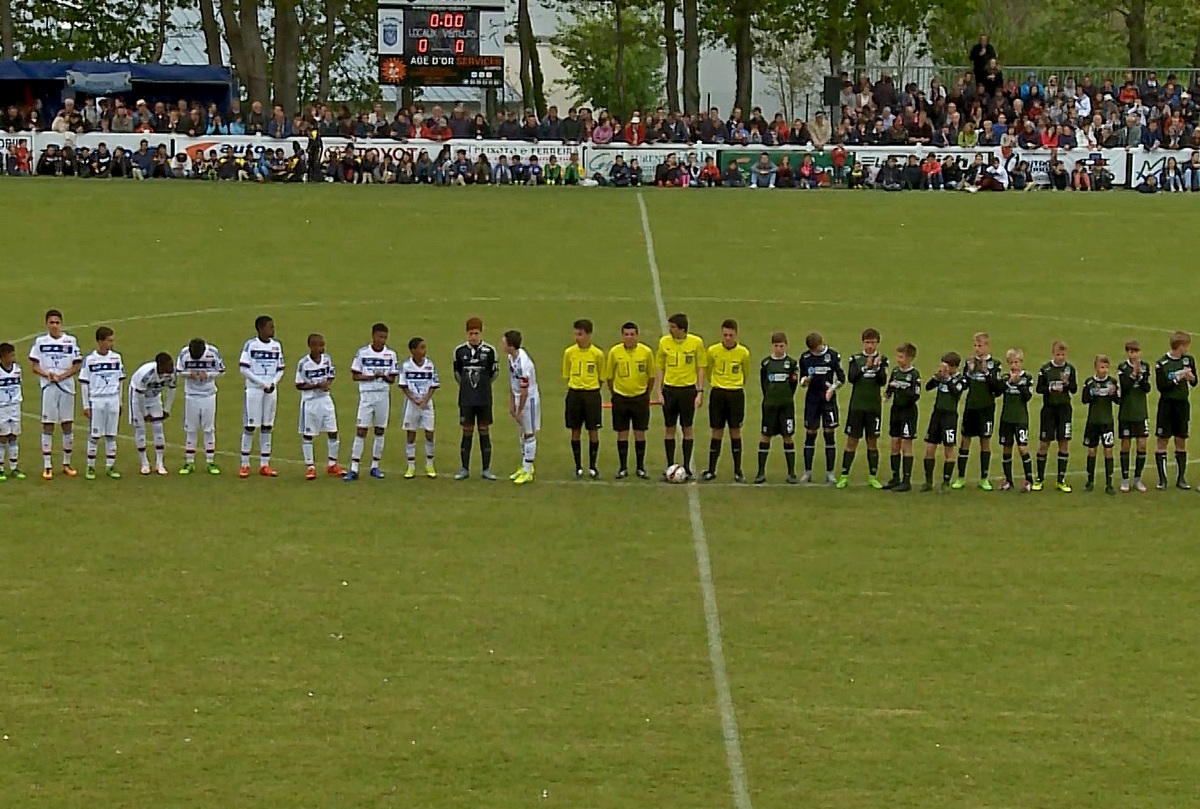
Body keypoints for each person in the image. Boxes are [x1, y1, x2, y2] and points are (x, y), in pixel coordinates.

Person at [29, 309, 83, 480]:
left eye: (57, 322)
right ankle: (47, 466)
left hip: (66, 388)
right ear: (46, 324)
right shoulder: (40, 342)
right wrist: (48, 375)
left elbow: (76, 366)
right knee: (48, 424)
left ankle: (66, 464)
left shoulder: (70, 341)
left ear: (61, 324)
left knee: (67, 424)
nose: (54, 325)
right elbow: (34, 366)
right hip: (49, 388)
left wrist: (62, 376)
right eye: (51, 322)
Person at [652, 313, 706, 479]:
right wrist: (659, 391)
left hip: (688, 391)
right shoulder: (664, 342)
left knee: (687, 428)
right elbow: (660, 366)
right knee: (669, 428)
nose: (670, 330)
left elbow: (701, 367)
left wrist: (700, 392)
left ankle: (687, 467)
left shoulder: (696, 343)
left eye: (673, 327)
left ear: (682, 329)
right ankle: (670, 465)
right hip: (670, 390)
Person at [345, 323, 399, 481]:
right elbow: (355, 375)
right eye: (380, 337)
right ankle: (354, 468)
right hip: (367, 396)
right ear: (373, 336)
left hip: (383, 396)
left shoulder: (390, 355)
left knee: (380, 430)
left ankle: (375, 466)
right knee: (361, 430)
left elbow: (392, 379)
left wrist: (384, 376)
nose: (382, 340)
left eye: (385, 337)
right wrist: (371, 376)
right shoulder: (362, 353)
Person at [838, 327, 888, 489]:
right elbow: (852, 378)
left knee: (872, 442)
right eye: (867, 342)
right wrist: (865, 367)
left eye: (873, 342)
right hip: (857, 406)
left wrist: (877, 368)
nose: (870, 346)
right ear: (862, 343)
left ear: (877, 343)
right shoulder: (855, 359)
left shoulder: (882, 360)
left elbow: (882, 381)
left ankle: (873, 477)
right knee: (851, 441)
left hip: (873, 407)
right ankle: (844, 476)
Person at [452, 317, 499, 481]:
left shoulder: (490, 351)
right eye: (471, 333)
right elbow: (457, 374)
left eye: (476, 333)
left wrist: (482, 386)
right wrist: (468, 387)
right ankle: (464, 468)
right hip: (466, 399)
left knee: (484, 431)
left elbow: (494, 373)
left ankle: (486, 469)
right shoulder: (459, 351)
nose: (473, 336)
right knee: (467, 432)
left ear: (481, 333)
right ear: (466, 334)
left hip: (484, 398)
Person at [238, 315, 285, 478]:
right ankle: (244, 464)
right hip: (254, 391)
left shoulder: (276, 346)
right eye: (270, 327)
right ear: (260, 328)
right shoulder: (251, 345)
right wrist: (261, 383)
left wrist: (273, 383)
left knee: (267, 426)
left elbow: (280, 368)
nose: (273, 329)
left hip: (270, 390)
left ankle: (264, 464)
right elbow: (243, 368)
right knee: (250, 426)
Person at [606, 322, 654, 479]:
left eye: (632, 334)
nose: (629, 337)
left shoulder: (646, 352)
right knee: (622, 433)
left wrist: (646, 393)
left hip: (640, 398)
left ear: (637, 336)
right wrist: (615, 394)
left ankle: (640, 467)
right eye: (626, 334)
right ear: (622, 336)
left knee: (640, 433)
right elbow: (609, 376)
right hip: (621, 398)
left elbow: (651, 376)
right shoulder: (615, 352)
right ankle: (623, 467)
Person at [704, 319, 751, 482]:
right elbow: (709, 371)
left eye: (731, 335)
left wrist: (734, 384)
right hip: (718, 393)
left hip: (736, 394)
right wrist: (718, 383)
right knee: (716, 430)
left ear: (736, 334)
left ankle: (738, 471)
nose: (728, 338)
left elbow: (745, 373)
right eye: (725, 335)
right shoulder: (713, 351)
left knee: (735, 431)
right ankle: (711, 470)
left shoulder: (743, 353)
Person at [956, 332, 1003, 490]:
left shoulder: (995, 364)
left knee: (985, 441)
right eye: (975, 345)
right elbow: (964, 383)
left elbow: (998, 389)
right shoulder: (969, 362)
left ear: (987, 346)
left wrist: (986, 373)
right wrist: (965, 376)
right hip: (971, 406)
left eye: (980, 345)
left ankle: (984, 478)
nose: (977, 349)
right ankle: (961, 477)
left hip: (986, 408)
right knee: (965, 440)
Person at [798, 331, 845, 484]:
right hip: (812, 400)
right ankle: (807, 472)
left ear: (821, 344)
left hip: (828, 400)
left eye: (816, 349)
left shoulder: (833, 356)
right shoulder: (805, 358)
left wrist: (832, 389)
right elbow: (802, 379)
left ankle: (830, 473)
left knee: (829, 433)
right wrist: (805, 381)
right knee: (810, 433)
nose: (815, 352)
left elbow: (841, 379)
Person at [79, 326, 125, 480]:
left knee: (111, 435)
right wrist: (86, 405)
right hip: (97, 400)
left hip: (112, 399)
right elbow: (84, 383)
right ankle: (90, 467)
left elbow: (120, 381)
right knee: (95, 435)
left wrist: (120, 401)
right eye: (109, 340)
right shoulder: (90, 360)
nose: (111, 343)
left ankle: (110, 466)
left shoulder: (116, 358)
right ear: (100, 341)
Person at [562, 319, 606, 479]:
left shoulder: (597, 354)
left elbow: (601, 377)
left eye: (580, 334)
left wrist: (591, 387)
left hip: (591, 395)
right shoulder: (569, 353)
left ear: (588, 334)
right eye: (575, 334)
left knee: (593, 430)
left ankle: (593, 466)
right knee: (575, 430)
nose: (577, 337)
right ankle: (578, 466)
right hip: (574, 394)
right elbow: (566, 375)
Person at [295, 333, 342, 481]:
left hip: (325, 400)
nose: (322, 348)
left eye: (323, 345)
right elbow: (299, 384)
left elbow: (331, 375)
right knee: (308, 435)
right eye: (319, 345)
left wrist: (327, 384)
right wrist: (316, 385)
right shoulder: (303, 363)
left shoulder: (326, 359)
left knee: (333, 432)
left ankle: (332, 464)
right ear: (311, 346)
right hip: (310, 402)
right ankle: (310, 467)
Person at [1153, 330, 1196, 490]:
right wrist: (1178, 378)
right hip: (1167, 405)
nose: (1187, 349)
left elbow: (1195, 381)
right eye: (1186, 346)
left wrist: (1191, 378)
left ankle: (1181, 479)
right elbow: (1162, 386)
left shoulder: (1188, 360)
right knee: (1162, 440)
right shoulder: (1162, 363)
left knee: (1181, 440)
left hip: (1182, 405)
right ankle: (1162, 480)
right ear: (1180, 346)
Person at [176, 337, 225, 476]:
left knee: (209, 429)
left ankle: (210, 462)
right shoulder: (184, 353)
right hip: (191, 395)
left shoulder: (213, 352)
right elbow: (178, 371)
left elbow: (221, 370)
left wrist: (208, 375)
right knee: (190, 429)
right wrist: (188, 375)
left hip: (208, 395)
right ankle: (189, 462)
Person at [755, 332, 800, 484]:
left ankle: (791, 473)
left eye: (781, 346)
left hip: (786, 407)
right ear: (772, 346)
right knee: (765, 435)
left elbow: (793, 384)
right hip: (769, 406)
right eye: (776, 346)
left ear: (786, 345)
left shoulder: (791, 363)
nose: (779, 349)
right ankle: (761, 472)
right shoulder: (766, 363)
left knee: (788, 436)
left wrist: (786, 397)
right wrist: (769, 397)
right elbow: (764, 383)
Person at [1033, 341, 1077, 492]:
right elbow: (1039, 388)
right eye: (1058, 354)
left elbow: (1074, 389)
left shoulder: (1070, 369)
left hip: (1064, 410)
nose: (1060, 357)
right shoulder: (1045, 369)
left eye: (1063, 355)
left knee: (1063, 442)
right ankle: (1039, 479)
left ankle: (1061, 480)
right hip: (1049, 410)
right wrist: (1051, 388)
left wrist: (1066, 384)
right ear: (1053, 354)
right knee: (1044, 443)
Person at [922, 352, 967, 492]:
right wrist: (936, 377)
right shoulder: (940, 377)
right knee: (929, 448)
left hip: (950, 417)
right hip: (937, 415)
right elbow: (928, 387)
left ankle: (946, 482)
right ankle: (928, 482)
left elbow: (956, 392)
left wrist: (947, 379)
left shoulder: (961, 379)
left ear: (954, 367)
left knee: (948, 449)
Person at [128, 352, 176, 476]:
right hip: (137, 397)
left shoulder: (172, 374)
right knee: (140, 429)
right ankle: (144, 463)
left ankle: (159, 463)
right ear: (160, 365)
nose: (172, 367)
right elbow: (140, 395)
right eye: (169, 365)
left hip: (154, 398)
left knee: (158, 428)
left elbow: (172, 389)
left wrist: (166, 409)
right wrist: (144, 413)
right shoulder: (146, 374)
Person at [503, 330, 540, 485]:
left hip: (529, 400)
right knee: (522, 433)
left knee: (529, 433)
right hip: (519, 397)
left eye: (504, 342)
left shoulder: (524, 364)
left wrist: (519, 410)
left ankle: (528, 470)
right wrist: (512, 403)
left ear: (511, 345)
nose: (502, 345)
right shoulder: (510, 358)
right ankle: (524, 466)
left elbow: (524, 390)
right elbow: (512, 382)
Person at [399, 337, 439, 479]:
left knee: (429, 432)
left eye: (424, 347)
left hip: (426, 404)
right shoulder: (406, 366)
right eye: (421, 348)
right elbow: (403, 386)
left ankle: (429, 464)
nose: (424, 350)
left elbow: (433, 385)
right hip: (412, 404)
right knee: (411, 433)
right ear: (413, 350)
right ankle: (411, 466)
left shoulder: (429, 365)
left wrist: (425, 400)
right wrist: (414, 399)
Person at [882, 342, 920, 492]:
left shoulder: (914, 375)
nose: (898, 360)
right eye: (897, 356)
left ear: (910, 358)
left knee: (906, 445)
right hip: (895, 411)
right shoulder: (896, 371)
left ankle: (906, 480)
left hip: (908, 413)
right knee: (894, 444)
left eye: (901, 357)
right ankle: (895, 477)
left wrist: (901, 388)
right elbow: (890, 388)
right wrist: (886, 396)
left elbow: (915, 395)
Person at [1081, 354, 1120, 494]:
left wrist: (1113, 394)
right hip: (1093, 421)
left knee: (1108, 450)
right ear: (1095, 367)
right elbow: (1084, 400)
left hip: (1106, 422)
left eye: (1106, 367)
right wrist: (1091, 393)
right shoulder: (1089, 382)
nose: (1104, 370)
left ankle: (1109, 483)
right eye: (1101, 367)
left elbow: (1118, 400)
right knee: (1091, 450)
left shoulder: (1112, 382)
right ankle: (1090, 481)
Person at [1116, 339, 1152, 492]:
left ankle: (1137, 479)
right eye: (1131, 352)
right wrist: (1133, 375)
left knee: (1142, 444)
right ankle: (1125, 479)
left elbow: (1147, 388)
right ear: (1127, 353)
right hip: (1126, 412)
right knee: (1125, 444)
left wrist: (1142, 377)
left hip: (1140, 412)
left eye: (1136, 352)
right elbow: (1124, 388)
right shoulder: (1122, 368)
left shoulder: (1145, 366)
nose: (1134, 355)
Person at [997, 349, 1035, 492]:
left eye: (1016, 362)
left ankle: (1029, 480)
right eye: (1011, 363)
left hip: (1020, 419)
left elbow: (1027, 397)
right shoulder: (1005, 378)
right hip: (1006, 418)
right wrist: (1008, 382)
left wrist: (1018, 383)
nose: (1014, 365)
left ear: (1021, 363)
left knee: (1022, 448)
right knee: (1006, 448)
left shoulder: (1027, 378)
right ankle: (1008, 480)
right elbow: (997, 391)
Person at [0, 342, 26, 481]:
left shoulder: (17, 370)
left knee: (14, 436)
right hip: (2, 408)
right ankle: (1, 469)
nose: (13, 357)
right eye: (11, 355)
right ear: (3, 356)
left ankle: (14, 467)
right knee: (2, 437)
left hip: (15, 407)